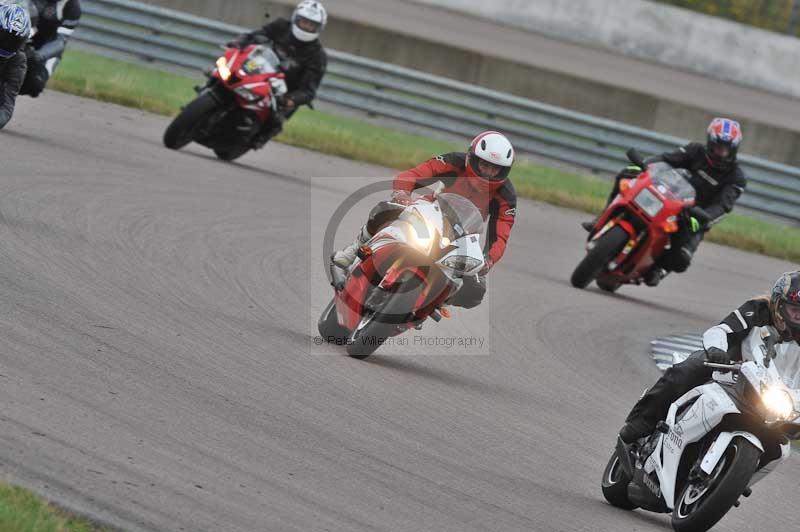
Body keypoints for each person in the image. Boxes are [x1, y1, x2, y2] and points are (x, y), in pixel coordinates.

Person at [332, 131, 517, 309]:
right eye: (484, 165)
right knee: (386, 209)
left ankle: (434, 303)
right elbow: (414, 174)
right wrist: (402, 192)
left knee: (475, 290)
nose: (488, 173)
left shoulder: (506, 195)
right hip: (431, 212)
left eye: (495, 169)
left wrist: (488, 260)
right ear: (472, 158)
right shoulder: (454, 161)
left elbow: (501, 235)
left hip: (463, 235)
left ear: (504, 171)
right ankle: (353, 252)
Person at [619, 271, 800, 444]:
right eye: (795, 310)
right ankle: (642, 421)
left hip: (772, 389)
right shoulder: (758, 310)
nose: (798, 317)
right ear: (778, 305)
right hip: (730, 366)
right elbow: (721, 330)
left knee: (781, 437)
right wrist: (716, 350)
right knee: (690, 368)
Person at [583, 118, 747, 286]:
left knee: (682, 257)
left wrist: (704, 217)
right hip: (669, 195)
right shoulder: (695, 150)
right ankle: (602, 217)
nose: (721, 152)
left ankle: (659, 269)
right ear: (710, 143)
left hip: (695, 214)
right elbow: (667, 159)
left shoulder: (736, 177)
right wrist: (645, 166)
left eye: (726, 149)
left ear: (734, 149)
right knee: (627, 174)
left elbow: (723, 206)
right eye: (718, 147)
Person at [233, 0, 327, 149]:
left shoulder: (318, 56)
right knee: (228, 72)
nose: (307, 26)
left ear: (318, 28)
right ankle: (209, 87)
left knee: (277, 118)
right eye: (304, 21)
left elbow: (309, 90)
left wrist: (291, 99)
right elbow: (257, 34)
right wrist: (241, 41)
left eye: (312, 25)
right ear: (296, 18)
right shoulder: (281, 26)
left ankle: (259, 138)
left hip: (284, 91)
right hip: (260, 70)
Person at [19, 0, 81, 98]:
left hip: (44, 50)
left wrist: (38, 55)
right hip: (18, 41)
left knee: (35, 85)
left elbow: (60, 41)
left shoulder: (72, 6)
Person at [0, 2, 31, 130]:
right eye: (2, 37)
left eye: (13, 41)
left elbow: (8, 104)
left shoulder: (18, 61)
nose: (6, 44)